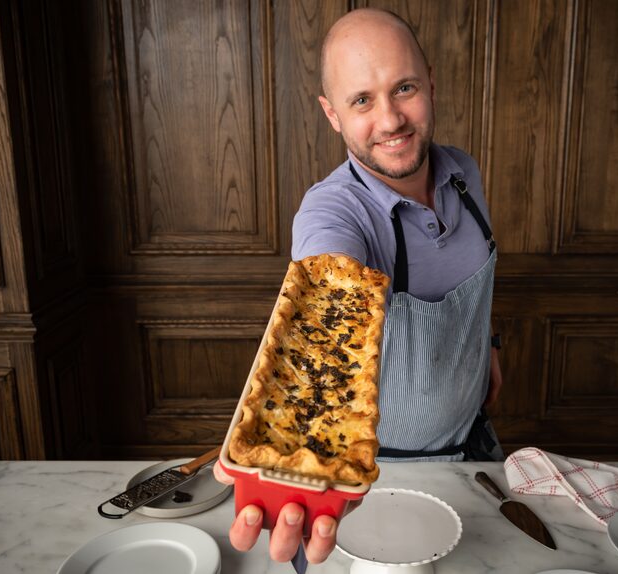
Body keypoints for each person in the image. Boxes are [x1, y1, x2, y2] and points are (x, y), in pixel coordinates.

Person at [214, 7, 503, 564]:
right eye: (362, 100)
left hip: (477, 453)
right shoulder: (333, 212)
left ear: (431, 84)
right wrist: (303, 466)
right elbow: (322, 314)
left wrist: (487, 345)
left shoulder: (464, 173)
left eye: (405, 88)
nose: (391, 119)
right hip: (376, 486)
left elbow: (476, 275)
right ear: (332, 114)